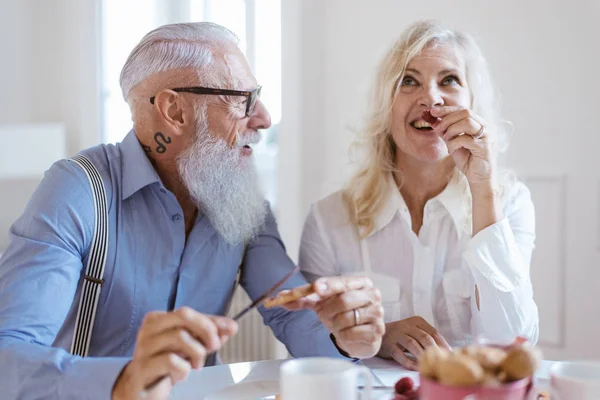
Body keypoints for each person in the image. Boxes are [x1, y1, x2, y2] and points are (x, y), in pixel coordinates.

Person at [0, 22, 385, 400]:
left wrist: (343, 334)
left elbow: (291, 310)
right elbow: (8, 356)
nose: (265, 118)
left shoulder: (241, 199)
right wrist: (124, 381)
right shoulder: (78, 189)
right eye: (243, 100)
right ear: (174, 110)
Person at [299, 19, 539, 370]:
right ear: (387, 104)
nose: (431, 98)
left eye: (449, 80)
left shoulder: (510, 204)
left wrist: (483, 188)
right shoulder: (328, 220)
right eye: (409, 81)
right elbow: (307, 347)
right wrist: (375, 339)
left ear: (472, 102)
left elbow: (513, 342)